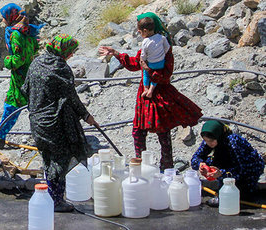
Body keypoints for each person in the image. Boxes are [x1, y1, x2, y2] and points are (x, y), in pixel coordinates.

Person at [99, 12, 202, 170]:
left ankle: (167, 168)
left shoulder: (163, 48)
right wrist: (116, 54)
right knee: (138, 131)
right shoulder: (149, 44)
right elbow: (136, 63)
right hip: (145, 95)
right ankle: (141, 166)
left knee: (163, 133)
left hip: (160, 94)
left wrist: (149, 71)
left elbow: (165, 75)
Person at [21, 34, 99, 212]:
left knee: (48, 159)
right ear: (63, 50)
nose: (71, 55)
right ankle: (56, 201)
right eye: (70, 52)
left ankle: (50, 198)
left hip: (38, 122)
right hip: (54, 123)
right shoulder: (60, 68)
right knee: (60, 159)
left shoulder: (36, 63)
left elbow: (25, 89)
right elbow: (71, 97)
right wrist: (86, 116)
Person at [0, 3, 41, 148]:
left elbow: (18, 59)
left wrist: (7, 61)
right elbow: (34, 49)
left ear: (10, 17)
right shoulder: (27, 30)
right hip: (30, 74)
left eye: (3, 17)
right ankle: (46, 137)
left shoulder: (15, 34)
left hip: (20, 78)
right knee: (34, 108)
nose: (2, 20)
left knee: (11, 106)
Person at [191, 120, 265, 206]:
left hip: (249, 170)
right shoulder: (210, 140)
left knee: (242, 197)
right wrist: (200, 164)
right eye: (206, 141)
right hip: (230, 166)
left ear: (218, 136)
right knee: (211, 161)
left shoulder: (234, 142)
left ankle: (247, 192)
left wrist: (221, 173)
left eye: (211, 141)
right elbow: (195, 158)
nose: (208, 144)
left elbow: (242, 170)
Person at [137, 16, 170, 99]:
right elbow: (167, 48)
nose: (140, 34)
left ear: (145, 31)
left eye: (140, 32)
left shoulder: (145, 42)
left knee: (146, 74)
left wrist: (143, 61)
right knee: (156, 75)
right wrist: (161, 55)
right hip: (161, 62)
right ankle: (151, 90)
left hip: (151, 63)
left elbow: (143, 54)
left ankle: (146, 89)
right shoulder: (162, 38)